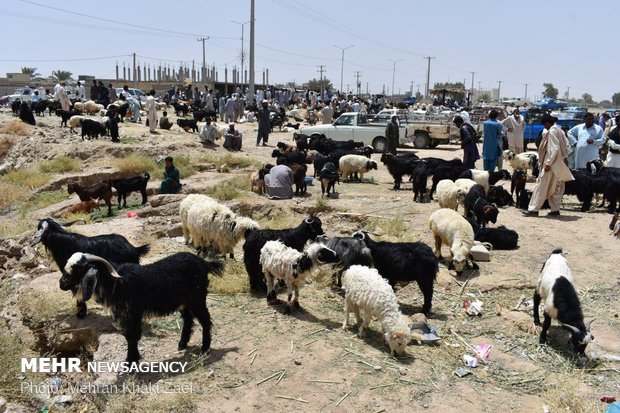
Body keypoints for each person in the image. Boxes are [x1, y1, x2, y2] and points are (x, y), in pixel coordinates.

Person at [523, 114, 574, 217]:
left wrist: (548, 163)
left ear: (547, 123)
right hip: (559, 164)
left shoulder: (552, 131)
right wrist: (563, 158)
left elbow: (553, 149)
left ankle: (534, 210)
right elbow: (567, 146)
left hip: (551, 165)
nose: (544, 127)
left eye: (544, 125)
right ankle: (555, 210)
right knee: (556, 187)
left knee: (541, 186)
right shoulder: (559, 130)